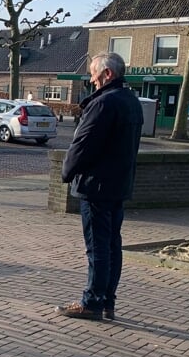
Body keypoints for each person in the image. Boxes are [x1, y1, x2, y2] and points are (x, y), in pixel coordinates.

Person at [56, 52, 142, 321]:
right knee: (113, 244)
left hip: (96, 187)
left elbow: (83, 145)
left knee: (98, 247)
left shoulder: (103, 104)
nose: (91, 80)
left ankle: (92, 302)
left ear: (108, 74)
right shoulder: (132, 102)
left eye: (94, 74)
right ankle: (107, 300)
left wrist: (66, 171)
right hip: (119, 185)